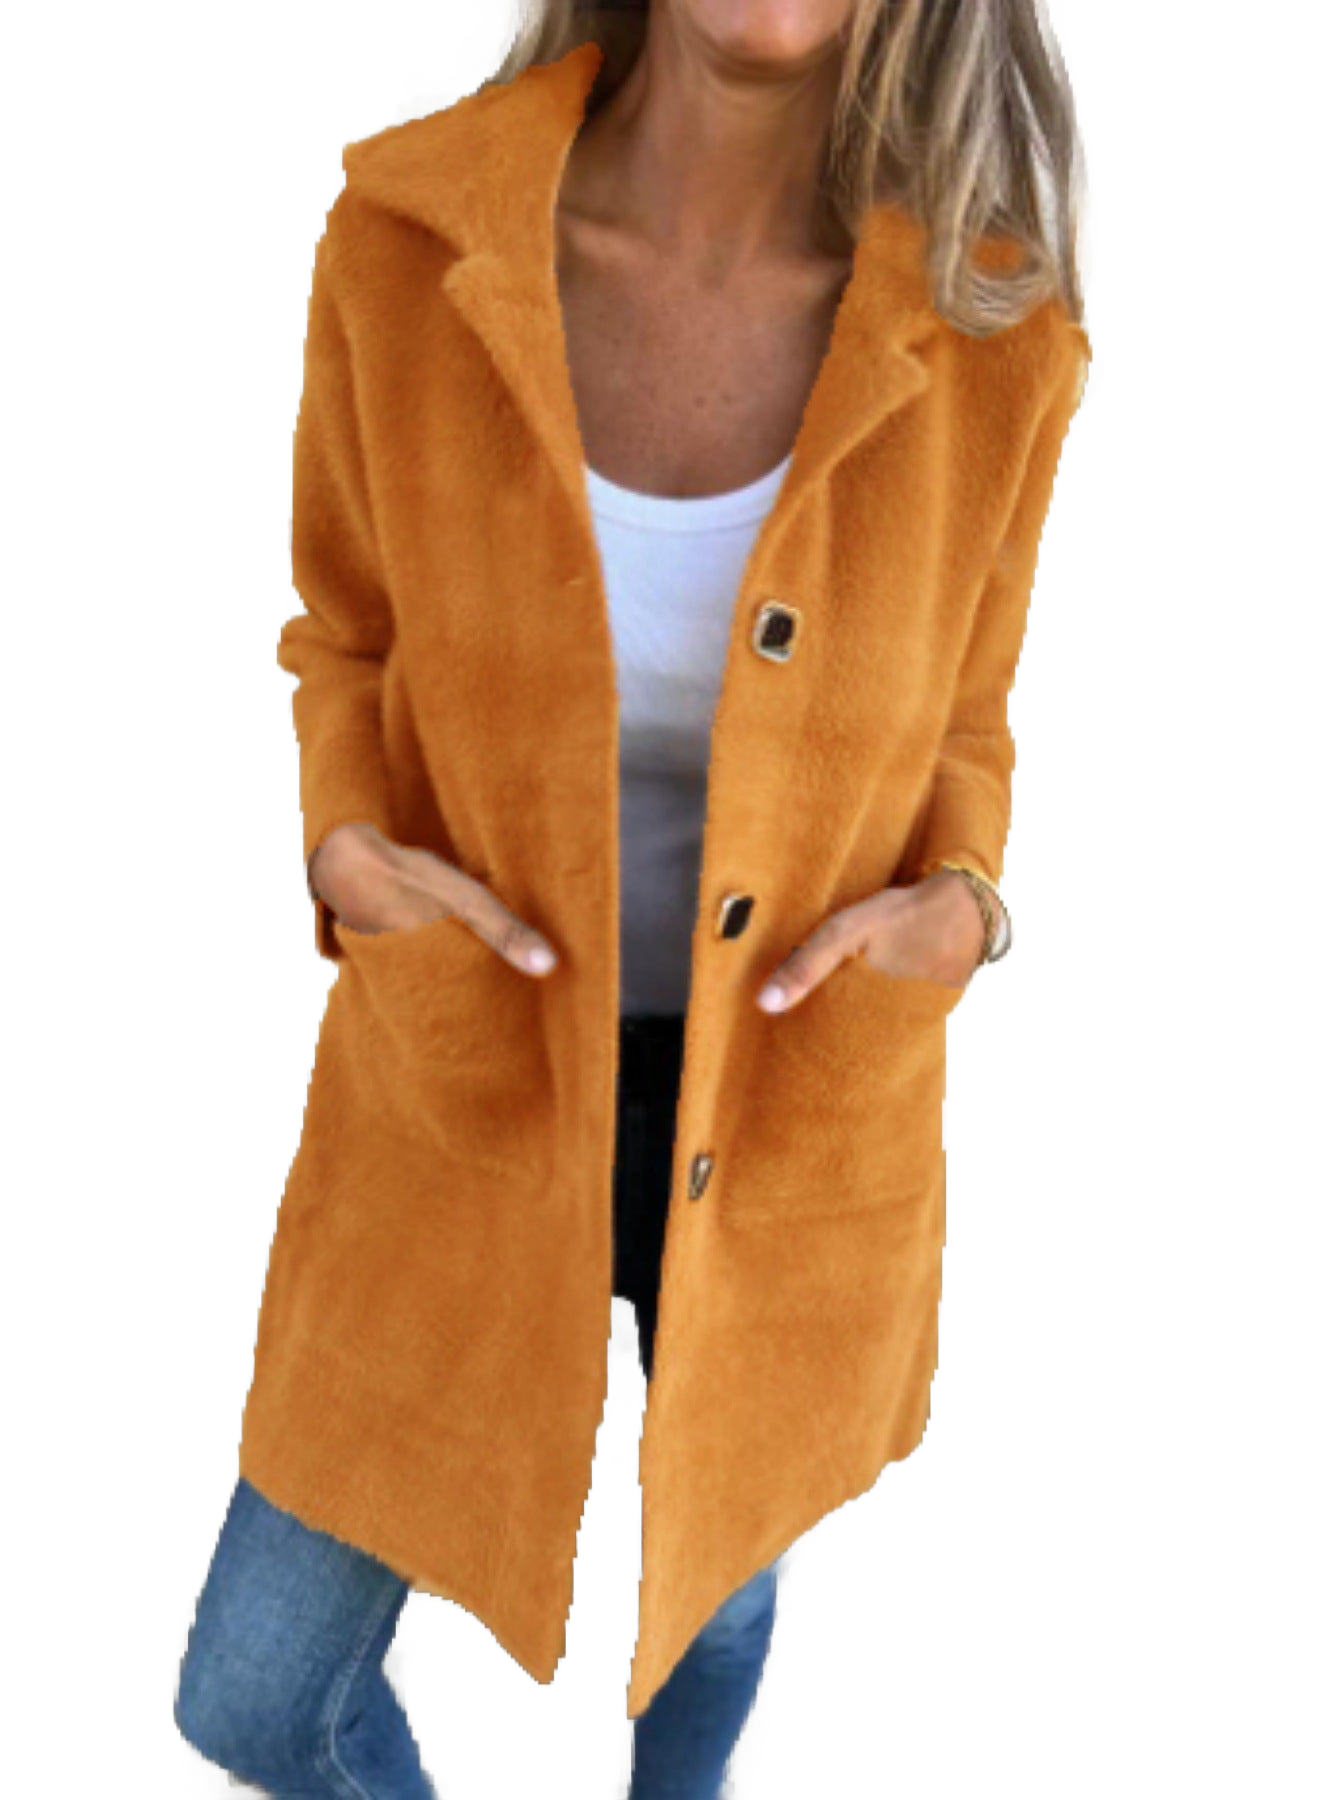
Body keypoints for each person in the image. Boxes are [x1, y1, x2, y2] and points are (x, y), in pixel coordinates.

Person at [174, 2, 1094, 1794]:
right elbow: (343, 630)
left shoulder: (991, 323)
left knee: (716, 1592)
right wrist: (344, 846)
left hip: (795, 1083)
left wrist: (965, 905)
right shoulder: (415, 238)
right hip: (471, 1052)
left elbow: (968, 718)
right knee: (262, 1692)